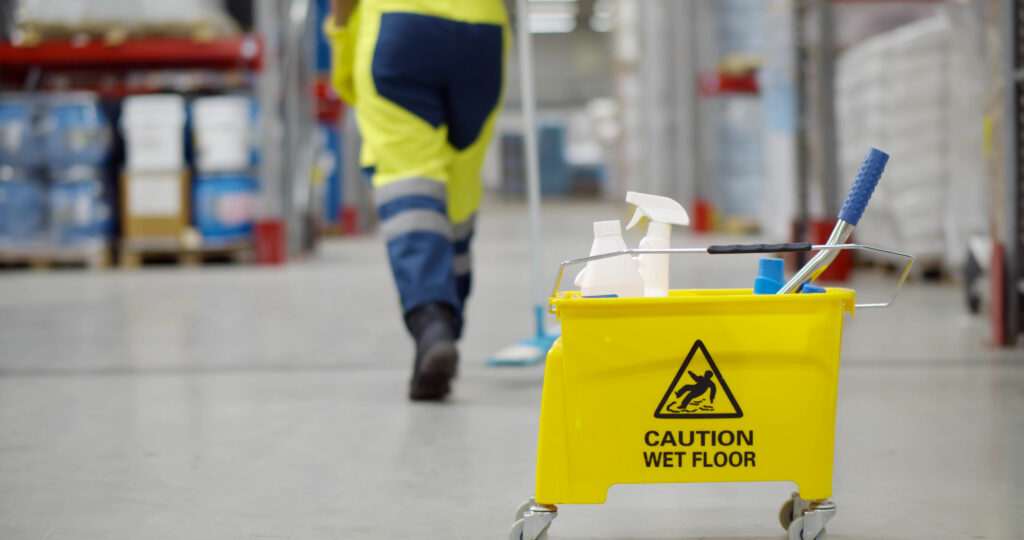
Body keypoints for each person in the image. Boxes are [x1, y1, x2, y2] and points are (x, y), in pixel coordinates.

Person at [327, 0, 508, 400]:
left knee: (408, 180)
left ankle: (432, 321)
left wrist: (341, 35)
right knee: (458, 194)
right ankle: (446, 328)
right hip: (482, 34)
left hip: (398, 26)